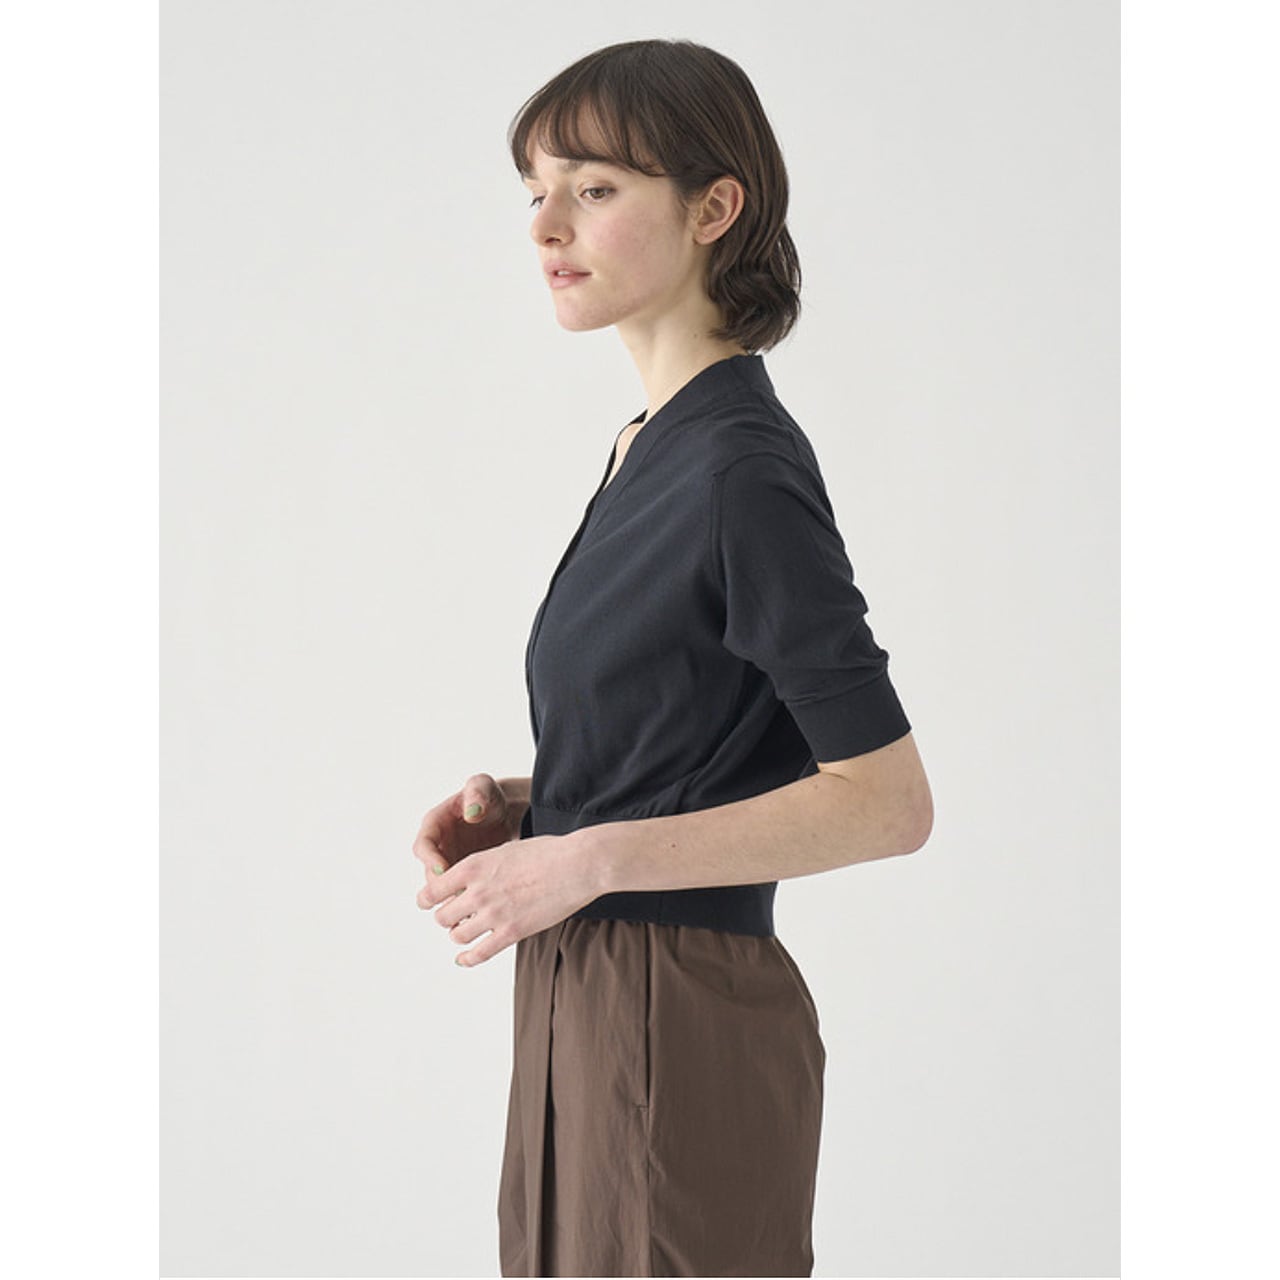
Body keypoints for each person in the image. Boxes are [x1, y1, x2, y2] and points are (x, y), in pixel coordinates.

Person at [412, 38, 933, 1279]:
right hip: (582, 993)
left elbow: (885, 799)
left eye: (592, 188)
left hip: (675, 1008)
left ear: (712, 208)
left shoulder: (736, 466)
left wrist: (585, 855)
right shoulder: (650, 443)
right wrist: (538, 812)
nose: (545, 224)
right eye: (534, 189)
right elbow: (715, 736)